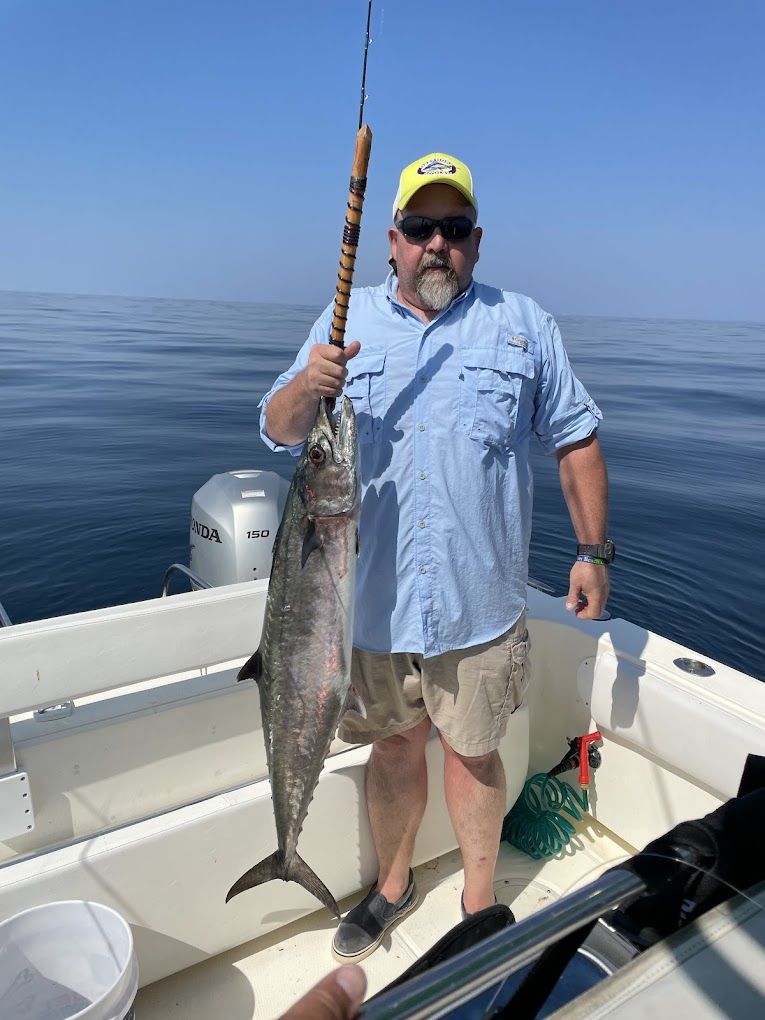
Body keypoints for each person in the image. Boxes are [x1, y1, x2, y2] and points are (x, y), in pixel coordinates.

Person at [260, 152, 613, 962]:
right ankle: (392, 885)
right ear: (391, 239)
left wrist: (591, 551)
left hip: (478, 605)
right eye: (420, 228)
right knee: (392, 747)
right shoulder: (340, 326)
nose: (436, 244)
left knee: (475, 751)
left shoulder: (523, 325)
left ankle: (479, 901)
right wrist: (308, 386)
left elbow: (576, 439)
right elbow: (278, 429)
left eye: (453, 229)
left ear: (476, 242)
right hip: (370, 605)